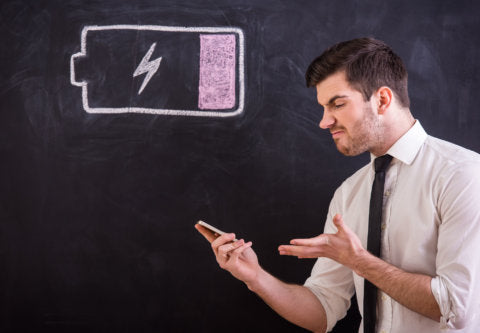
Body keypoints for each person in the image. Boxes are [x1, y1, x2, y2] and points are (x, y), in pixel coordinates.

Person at [195, 37, 480, 333]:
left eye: (337, 104)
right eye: (323, 107)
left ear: (382, 100)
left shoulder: (462, 176)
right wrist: (255, 276)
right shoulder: (350, 192)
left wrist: (359, 261)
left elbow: (456, 308)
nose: (324, 121)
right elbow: (322, 311)